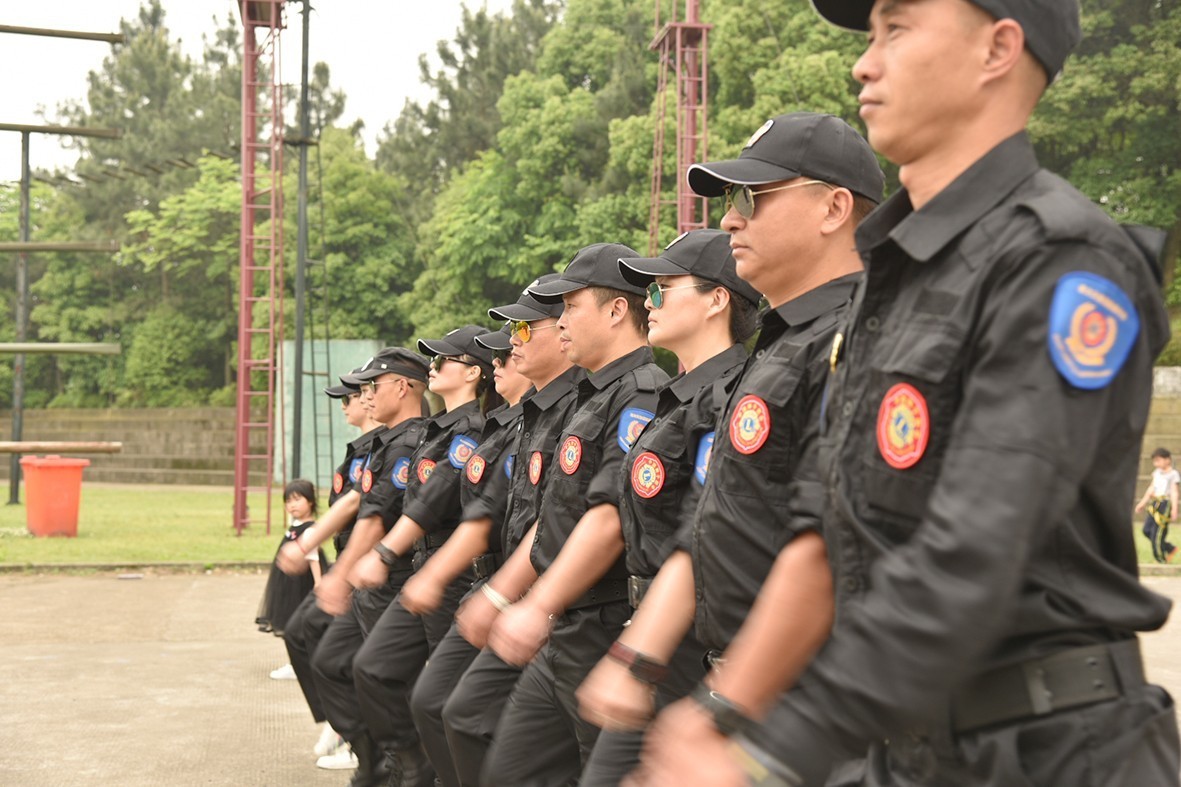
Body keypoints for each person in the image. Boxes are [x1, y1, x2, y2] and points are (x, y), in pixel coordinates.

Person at [704, 1, 1181, 785]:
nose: (864, 62)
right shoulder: (885, 283)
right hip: (914, 749)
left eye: (895, 29)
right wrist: (726, 712)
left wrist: (773, 747)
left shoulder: (1061, 261)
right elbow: (824, 529)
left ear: (996, 50)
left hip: (1050, 753)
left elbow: (973, 551)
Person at [571, 114, 881, 787]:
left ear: (832, 207)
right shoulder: (780, 347)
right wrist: (643, 654)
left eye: (752, 199)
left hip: (808, 704)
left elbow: (826, 541)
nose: (732, 221)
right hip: (738, 682)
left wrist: (721, 702)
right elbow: (715, 519)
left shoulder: (860, 338)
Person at [570, 228, 761, 786]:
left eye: (660, 290)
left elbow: (707, 530)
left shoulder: (730, 396)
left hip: (691, 644)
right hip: (654, 629)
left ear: (717, 299)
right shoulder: (676, 400)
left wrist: (639, 653)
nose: (646, 303)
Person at [482, 243, 670, 785]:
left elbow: (609, 513)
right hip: (565, 615)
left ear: (615, 311)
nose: (558, 321)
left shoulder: (640, 394)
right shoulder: (590, 397)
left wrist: (533, 600)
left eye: (570, 306)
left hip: (601, 615)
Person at [443, 276, 583, 786]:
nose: (511, 342)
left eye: (523, 327)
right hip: (524, 596)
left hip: (565, 605)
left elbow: (586, 517)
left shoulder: (592, 405)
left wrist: (511, 596)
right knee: (460, 716)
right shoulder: (537, 414)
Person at [347, 325, 497, 787]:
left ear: (472, 372)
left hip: (450, 574)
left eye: (442, 360)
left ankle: (426, 772)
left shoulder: (472, 427)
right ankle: (412, 766)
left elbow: (440, 495)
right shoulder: (438, 429)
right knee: (388, 674)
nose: (432, 367)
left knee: (449, 699)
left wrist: (385, 551)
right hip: (422, 566)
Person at [277, 348, 430, 782]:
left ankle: (394, 762)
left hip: (392, 575)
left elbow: (376, 515)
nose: (362, 399)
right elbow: (359, 505)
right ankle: (374, 755)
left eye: (369, 388)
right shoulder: (386, 443)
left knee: (377, 674)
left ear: (402, 387)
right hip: (371, 575)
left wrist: (339, 575)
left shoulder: (409, 440)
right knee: (336, 660)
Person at [405, 325, 532, 787]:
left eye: (506, 353)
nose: (501, 361)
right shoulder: (504, 427)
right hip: (484, 583)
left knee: (468, 713)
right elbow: (486, 506)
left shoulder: (485, 428)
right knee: (443, 704)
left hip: (517, 589)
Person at [281, 372, 382, 764]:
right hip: (350, 559)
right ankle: (342, 724)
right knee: (301, 631)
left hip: (366, 564)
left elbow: (361, 507)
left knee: (346, 654)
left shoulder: (382, 447)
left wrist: (312, 544)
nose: (346, 405)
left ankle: (356, 734)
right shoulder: (360, 449)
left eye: (351, 397)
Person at [257, 479, 327, 676]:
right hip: (288, 585)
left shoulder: (310, 530)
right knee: (289, 622)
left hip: (302, 586)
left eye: (297, 499)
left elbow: (314, 559)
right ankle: (296, 663)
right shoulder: (294, 527)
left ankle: (299, 665)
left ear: (311, 501)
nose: (292, 505)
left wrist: (319, 584)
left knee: (299, 625)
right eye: (288, 501)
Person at [1137, 447, 1180, 563]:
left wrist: (1175, 509)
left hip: (1164, 504)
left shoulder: (1173, 474)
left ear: (1167, 460)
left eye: (1158, 460)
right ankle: (1170, 548)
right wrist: (1142, 503)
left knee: (1158, 533)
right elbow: (1151, 489)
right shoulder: (1156, 473)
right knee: (1147, 530)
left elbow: (1174, 492)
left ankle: (1161, 559)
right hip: (1155, 503)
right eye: (1154, 461)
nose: (1156, 463)